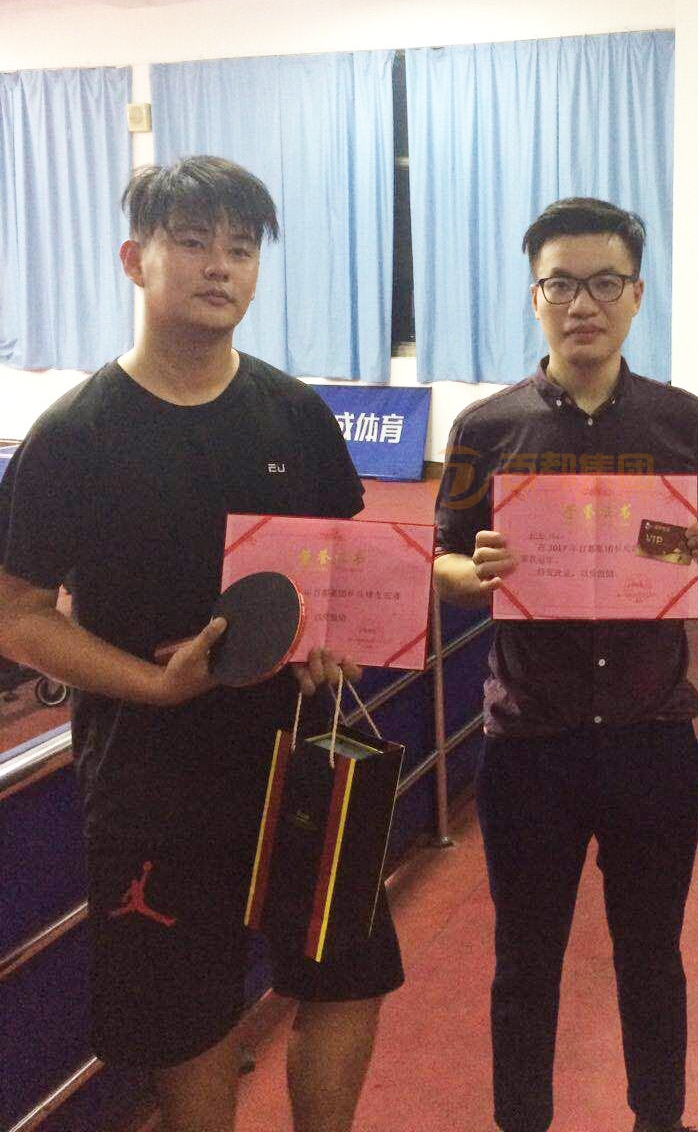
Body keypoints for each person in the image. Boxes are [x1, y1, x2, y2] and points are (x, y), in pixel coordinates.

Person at [0, 157, 404, 1132]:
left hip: (305, 761)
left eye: (241, 247)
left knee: (348, 981)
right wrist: (151, 685)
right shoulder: (75, 435)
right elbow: (16, 613)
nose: (221, 266)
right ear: (134, 259)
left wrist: (334, 640)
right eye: (192, 242)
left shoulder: (295, 414)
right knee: (192, 1027)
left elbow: (338, 568)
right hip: (153, 782)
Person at [433, 197, 698, 1132]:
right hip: (531, 742)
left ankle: (661, 1119)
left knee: (653, 957)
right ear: (534, 296)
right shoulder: (485, 430)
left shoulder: (682, 421)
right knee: (524, 964)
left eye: (605, 283)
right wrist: (475, 572)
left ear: (637, 295)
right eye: (561, 284)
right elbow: (444, 563)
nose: (583, 304)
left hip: (653, 737)